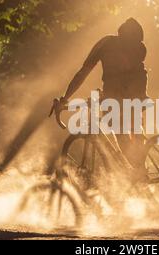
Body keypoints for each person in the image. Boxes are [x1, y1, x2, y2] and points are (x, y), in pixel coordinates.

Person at [58, 18, 149, 169]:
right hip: (135, 90)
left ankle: (137, 170)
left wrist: (65, 98)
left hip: (121, 92)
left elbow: (83, 73)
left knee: (120, 128)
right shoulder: (140, 48)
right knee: (132, 131)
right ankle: (141, 170)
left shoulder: (107, 44)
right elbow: (130, 77)